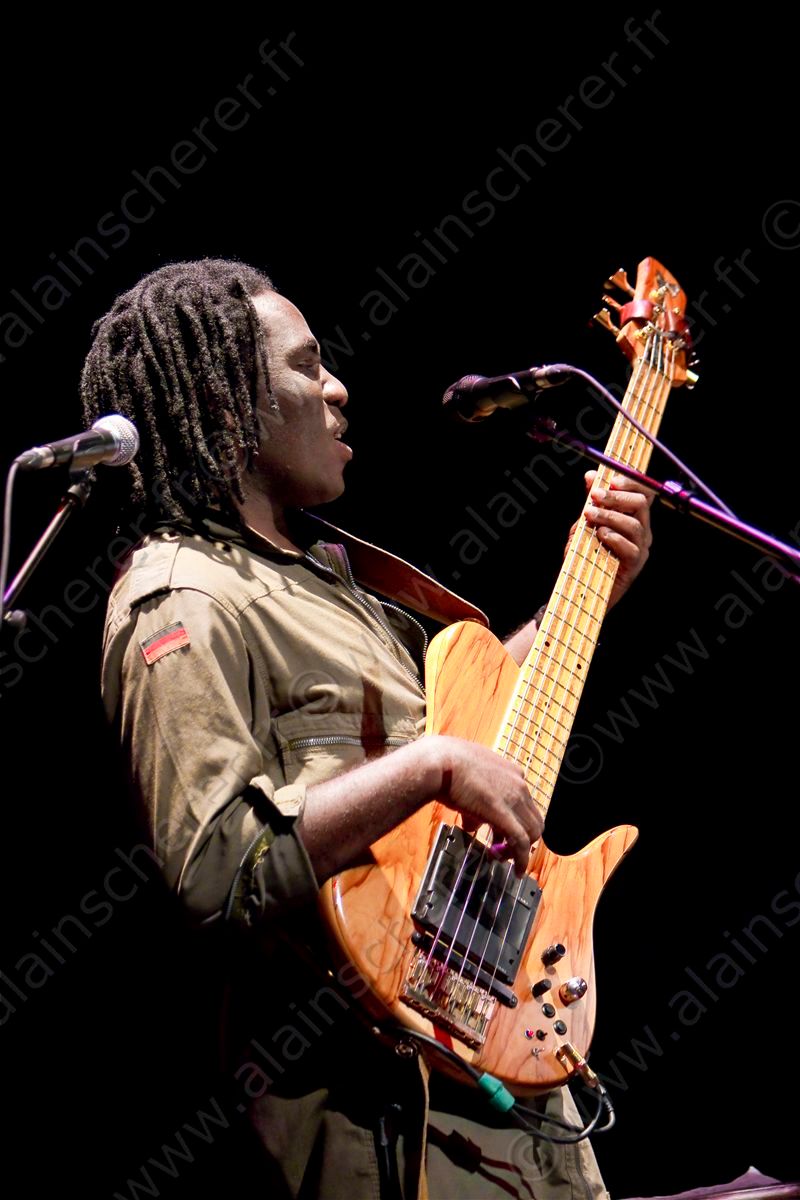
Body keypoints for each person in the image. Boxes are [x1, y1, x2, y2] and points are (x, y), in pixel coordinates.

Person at [83, 258, 653, 1199]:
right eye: (306, 366)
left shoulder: (335, 583)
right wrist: (429, 767)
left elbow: (474, 735)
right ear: (225, 403)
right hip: (379, 1113)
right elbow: (213, 869)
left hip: (506, 1066)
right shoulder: (181, 595)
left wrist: (587, 593)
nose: (338, 388)